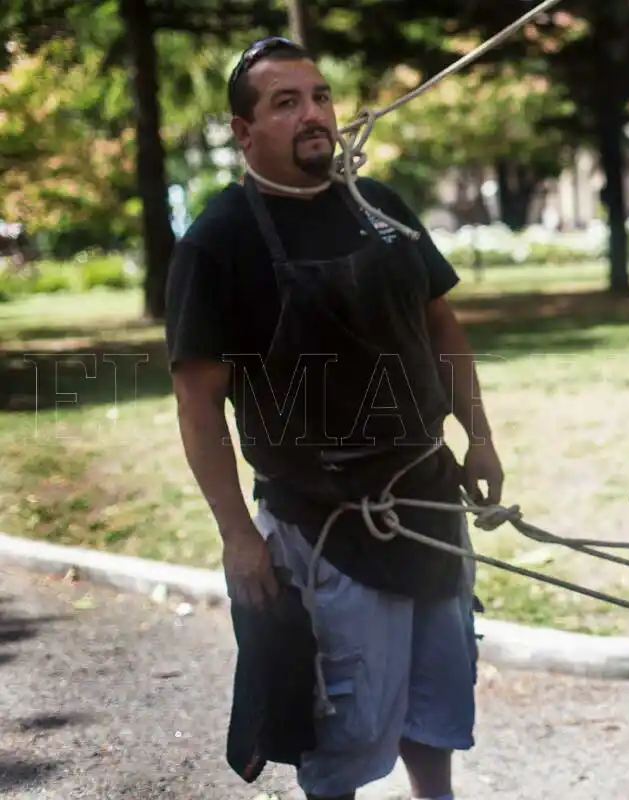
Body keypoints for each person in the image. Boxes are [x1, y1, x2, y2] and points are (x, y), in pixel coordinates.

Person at [164, 36, 504, 800]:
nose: (313, 114)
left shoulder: (379, 207)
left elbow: (441, 326)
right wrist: (236, 536)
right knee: (339, 720)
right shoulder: (220, 242)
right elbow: (196, 401)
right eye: (286, 103)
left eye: (319, 96)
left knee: (438, 689)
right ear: (243, 131)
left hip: (427, 496)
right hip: (325, 526)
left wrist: (477, 438)